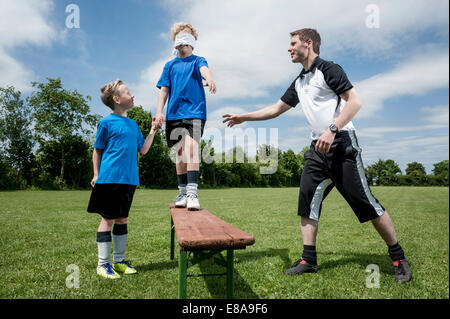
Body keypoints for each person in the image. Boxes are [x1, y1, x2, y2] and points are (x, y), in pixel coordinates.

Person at [223, 28, 411, 283]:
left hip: (342, 145)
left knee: (366, 204)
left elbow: (355, 101)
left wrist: (333, 129)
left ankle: (398, 257)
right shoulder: (300, 81)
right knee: (307, 200)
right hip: (316, 149)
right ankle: (308, 259)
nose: (289, 48)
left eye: (293, 43)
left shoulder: (329, 69)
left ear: (308, 44)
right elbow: (276, 108)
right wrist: (243, 117)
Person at [87, 79, 157, 279]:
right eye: (128, 92)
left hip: (129, 180)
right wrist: (96, 174)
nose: (132, 95)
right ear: (117, 99)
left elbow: (143, 150)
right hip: (109, 179)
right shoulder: (106, 123)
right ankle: (103, 265)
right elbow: (97, 150)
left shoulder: (133, 125)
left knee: (122, 219)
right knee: (107, 220)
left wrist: (152, 130)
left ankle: (118, 262)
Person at [154, 22, 216, 210]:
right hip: (174, 114)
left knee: (191, 148)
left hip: (195, 111)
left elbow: (204, 69)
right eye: (179, 37)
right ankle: (182, 192)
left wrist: (209, 78)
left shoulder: (198, 60)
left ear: (192, 41)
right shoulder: (170, 65)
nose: (182, 42)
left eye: (186, 36)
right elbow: (164, 91)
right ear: (175, 41)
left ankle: (192, 193)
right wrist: (159, 112)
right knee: (180, 153)